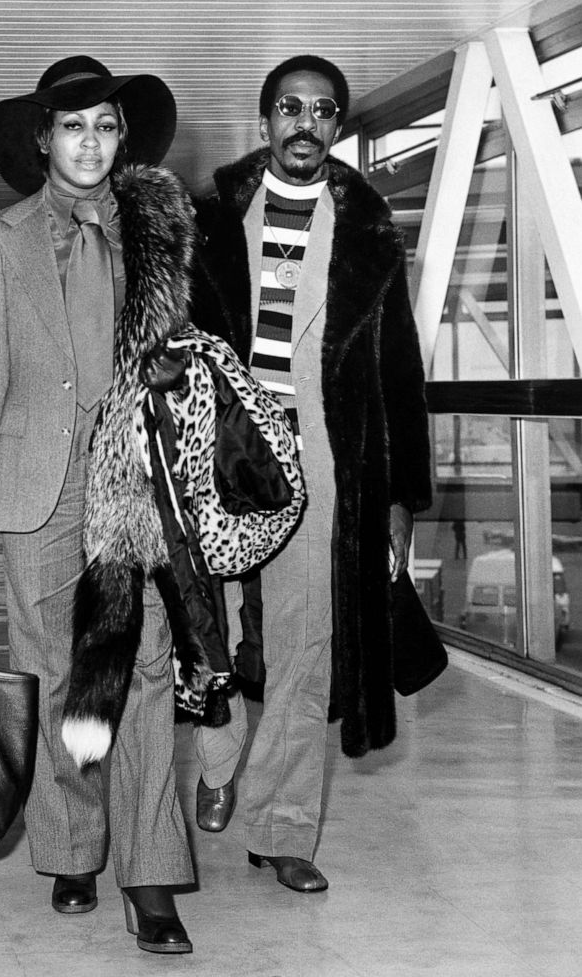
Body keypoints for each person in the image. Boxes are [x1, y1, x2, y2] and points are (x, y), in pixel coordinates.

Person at [0, 55, 201, 956]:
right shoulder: (3, 235)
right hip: (34, 486)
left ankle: (150, 874)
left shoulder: (159, 227)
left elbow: (187, 354)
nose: (89, 142)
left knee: (140, 671)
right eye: (73, 127)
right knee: (53, 672)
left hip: (133, 482)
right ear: (43, 140)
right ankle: (70, 848)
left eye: (105, 126)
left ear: (122, 138)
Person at [191, 55, 432, 892]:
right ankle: (219, 757)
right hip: (218, 454)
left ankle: (283, 825)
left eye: (323, 110)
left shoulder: (369, 232)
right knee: (204, 627)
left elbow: (399, 368)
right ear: (264, 123)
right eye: (289, 107)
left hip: (321, 457)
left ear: (339, 126)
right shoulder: (210, 218)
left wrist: (402, 495)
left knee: (305, 644)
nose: (306, 123)